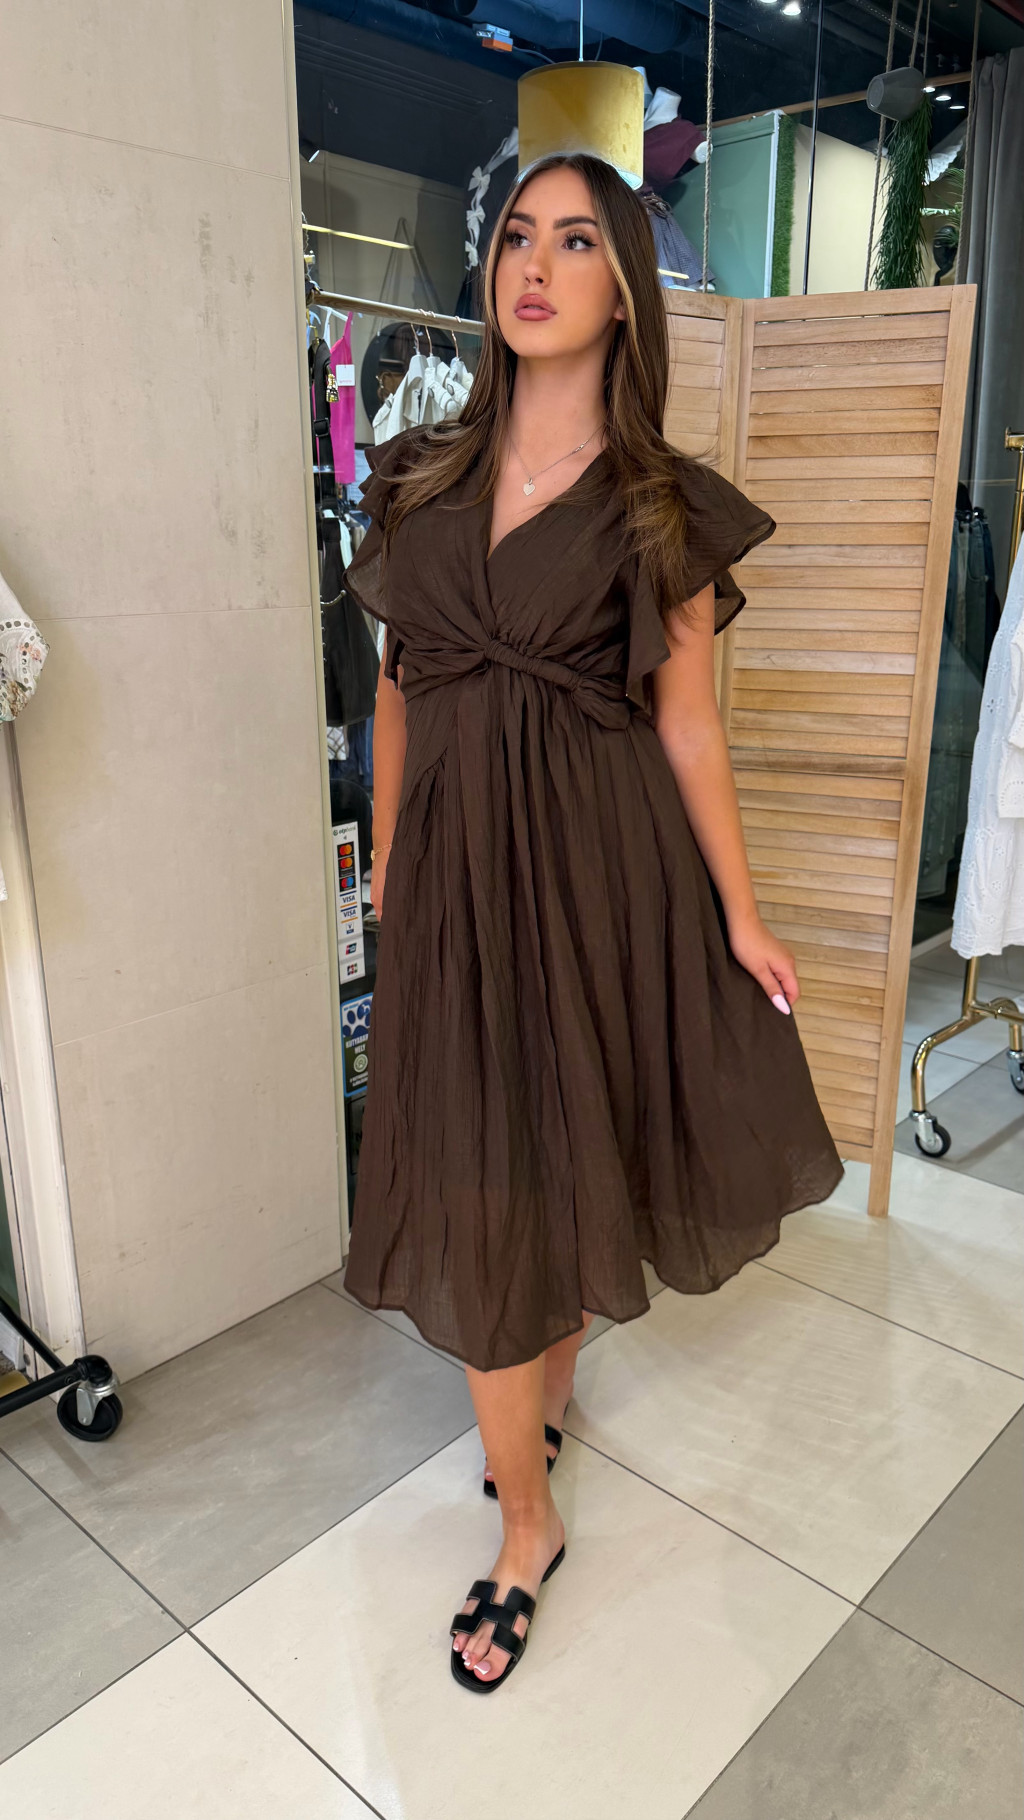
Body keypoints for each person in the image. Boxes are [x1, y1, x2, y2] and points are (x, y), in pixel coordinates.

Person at [341, 152, 844, 1694]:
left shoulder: (656, 506)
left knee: (573, 1146)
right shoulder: (421, 478)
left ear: (626, 288)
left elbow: (688, 725)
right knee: (485, 1173)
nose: (534, 265)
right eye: (516, 236)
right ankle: (529, 1518)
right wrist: (391, 854)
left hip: (602, 872)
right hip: (455, 886)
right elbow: (399, 687)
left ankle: (534, 1458)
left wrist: (742, 915)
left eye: (575, 240)